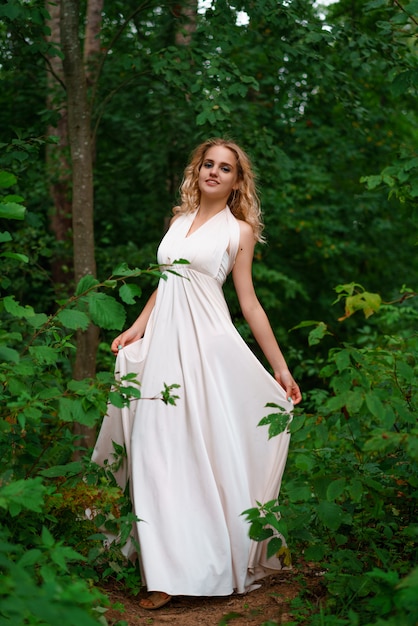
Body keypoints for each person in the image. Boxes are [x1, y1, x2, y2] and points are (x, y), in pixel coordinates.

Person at [92, 137, 302, 610]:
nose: (214, 172)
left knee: (196, 454)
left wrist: (281, 368)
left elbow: (248, 303)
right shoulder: (178, 222)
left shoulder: (239, 232)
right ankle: (161, 569)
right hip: (164, 345)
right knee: (151, 449)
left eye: (225, 168)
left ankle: (188, 569)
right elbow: (165, 285)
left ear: (236, 180)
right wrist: (136, 328)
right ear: (198, 170)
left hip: (206, 350)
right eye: (208, 164)